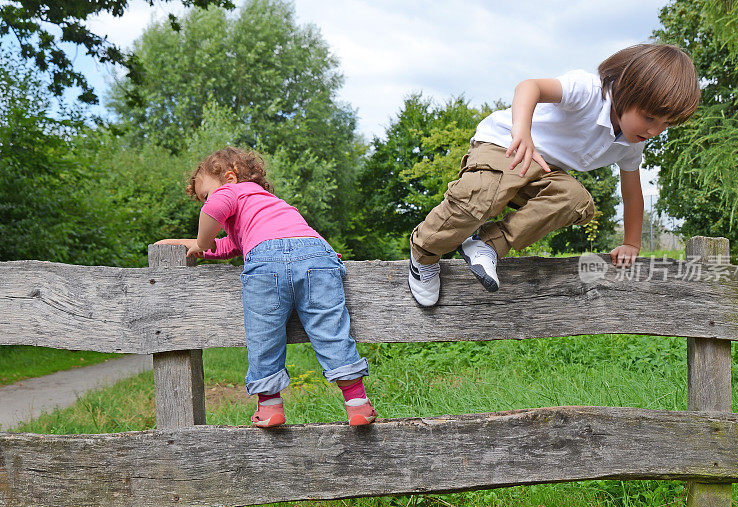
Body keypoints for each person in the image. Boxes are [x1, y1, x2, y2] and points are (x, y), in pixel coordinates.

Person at [407, 43, 700, 306]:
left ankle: (487, 245)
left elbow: (632, 193)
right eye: (649, 117)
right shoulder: (588, 91)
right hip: (506, 146)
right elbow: (529, 86)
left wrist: (632, 243)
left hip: (544, 171)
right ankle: (424, 254)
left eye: (666, 124)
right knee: (483, 194)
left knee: (575, 200)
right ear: (625, 88)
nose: (654, 131)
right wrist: (522, 130)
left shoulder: (630, 145)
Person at [157, 147, 377, 427]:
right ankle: (357, 404)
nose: (207, 203)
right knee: (331, 330)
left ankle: (270, 407)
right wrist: (186, 245)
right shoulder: (267, 206)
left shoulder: (233, 191)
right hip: (316, 254)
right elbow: (225, 246)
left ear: (229, 177)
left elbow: (213, 212)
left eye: (206, 194)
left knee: (264, 335)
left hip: (266, 261)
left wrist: (201, 241)